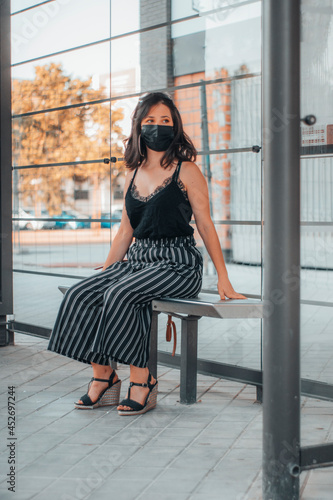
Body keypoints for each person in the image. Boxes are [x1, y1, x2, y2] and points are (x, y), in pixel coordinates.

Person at [47, 91, 246, 416]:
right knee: (81, 293)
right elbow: (126, 230)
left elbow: (206, 226)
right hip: (139, 261)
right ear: (139, 126)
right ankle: (104, 376)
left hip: (177, 264)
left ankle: (143, 381)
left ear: (175, 125)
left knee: (121, 293)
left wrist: (224, 278)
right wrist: (109, 269)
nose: (158, 126)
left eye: (165, 120)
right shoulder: (132, 173)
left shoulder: (187, 171)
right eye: (150, 120)